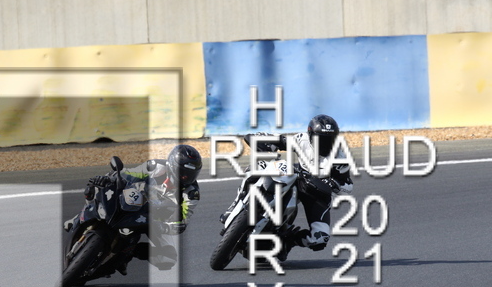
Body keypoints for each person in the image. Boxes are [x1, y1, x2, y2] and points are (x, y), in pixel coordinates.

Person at [220, 114, 353, 261]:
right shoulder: (301, 140)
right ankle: (234, 206)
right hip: (298, 177)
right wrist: (261, 139)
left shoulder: (340, 159)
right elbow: (280, 140)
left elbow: (348, 185)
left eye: (329, 139)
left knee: (320, 239)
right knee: (256, 167)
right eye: (320, 139)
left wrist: (333, 184)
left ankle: (288, 241)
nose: (325, 143)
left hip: (316, 193)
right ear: (310, 135)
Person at [87, 144, 202, 273]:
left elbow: (182, 222)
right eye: (183, 172)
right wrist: (108, 178)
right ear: (172, 166)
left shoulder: (192, 193)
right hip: (133, 199)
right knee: (96, 188)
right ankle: (80, 219)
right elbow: (127, 174)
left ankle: (129, 253)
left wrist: (165, 227)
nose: (185, 178)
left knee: (168, 259)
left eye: (191, 174)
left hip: (155, 221)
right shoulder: (155, 166)